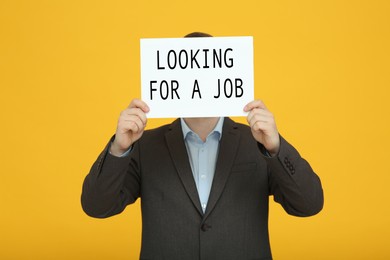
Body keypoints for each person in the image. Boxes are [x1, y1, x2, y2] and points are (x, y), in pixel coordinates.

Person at [81, 32, 324, 260]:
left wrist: (276, 148)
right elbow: (96, 206)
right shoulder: (144, 146)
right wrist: (118, 149)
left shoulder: (258, 143)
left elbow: (309, 204)